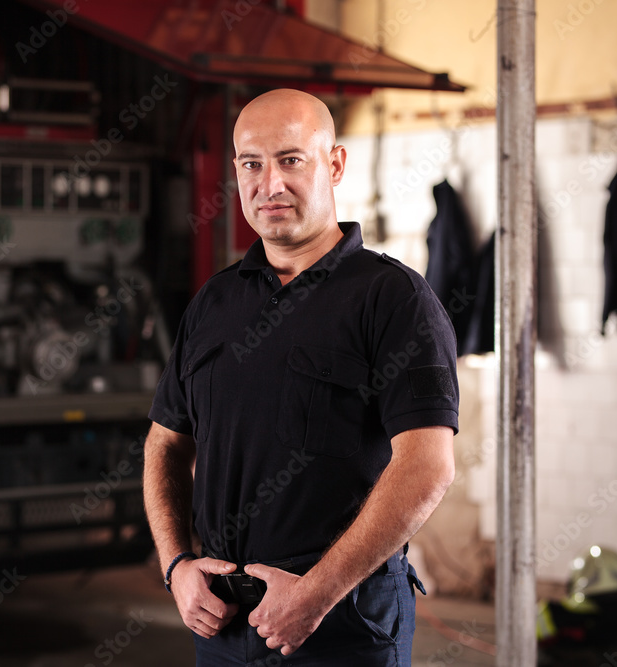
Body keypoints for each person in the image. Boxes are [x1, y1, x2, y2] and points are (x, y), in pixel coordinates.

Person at [144, 88, 459, 666]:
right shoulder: (215, 303)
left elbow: (427, 464)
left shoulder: (393, 299)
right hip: (223, 625)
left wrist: (314, 595)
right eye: (251, 164)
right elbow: (165, 443)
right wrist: (176, 566)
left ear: (334, 164)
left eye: (291, 160)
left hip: (342, 625)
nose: (271, 184)